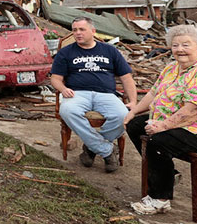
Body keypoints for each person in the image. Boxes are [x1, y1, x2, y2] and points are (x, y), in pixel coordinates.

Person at [124, 25, 197, 215]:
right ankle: (169, 174)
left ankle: (160, 199)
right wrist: (134, 111)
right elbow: (154, 92)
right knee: (136, 125)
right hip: (186, 125)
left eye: (186, 45)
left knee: (158, 140)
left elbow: (195, 110)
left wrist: (163, 126)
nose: (179, 49)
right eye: (175, 45)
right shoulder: (173, 68)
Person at [50, 16, 137, 173]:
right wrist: (62, 89)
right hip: (77, 94)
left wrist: (134, 101)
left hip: (106, 95)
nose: (78, 33)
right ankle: (107, 150)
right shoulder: (65, 52)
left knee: (123, 115)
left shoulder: (110, 50)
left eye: (82, 29)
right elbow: (55, 78)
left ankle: (90, 149)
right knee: (67, 111)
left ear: (93, 31)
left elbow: (126, 77)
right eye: (75, 30)